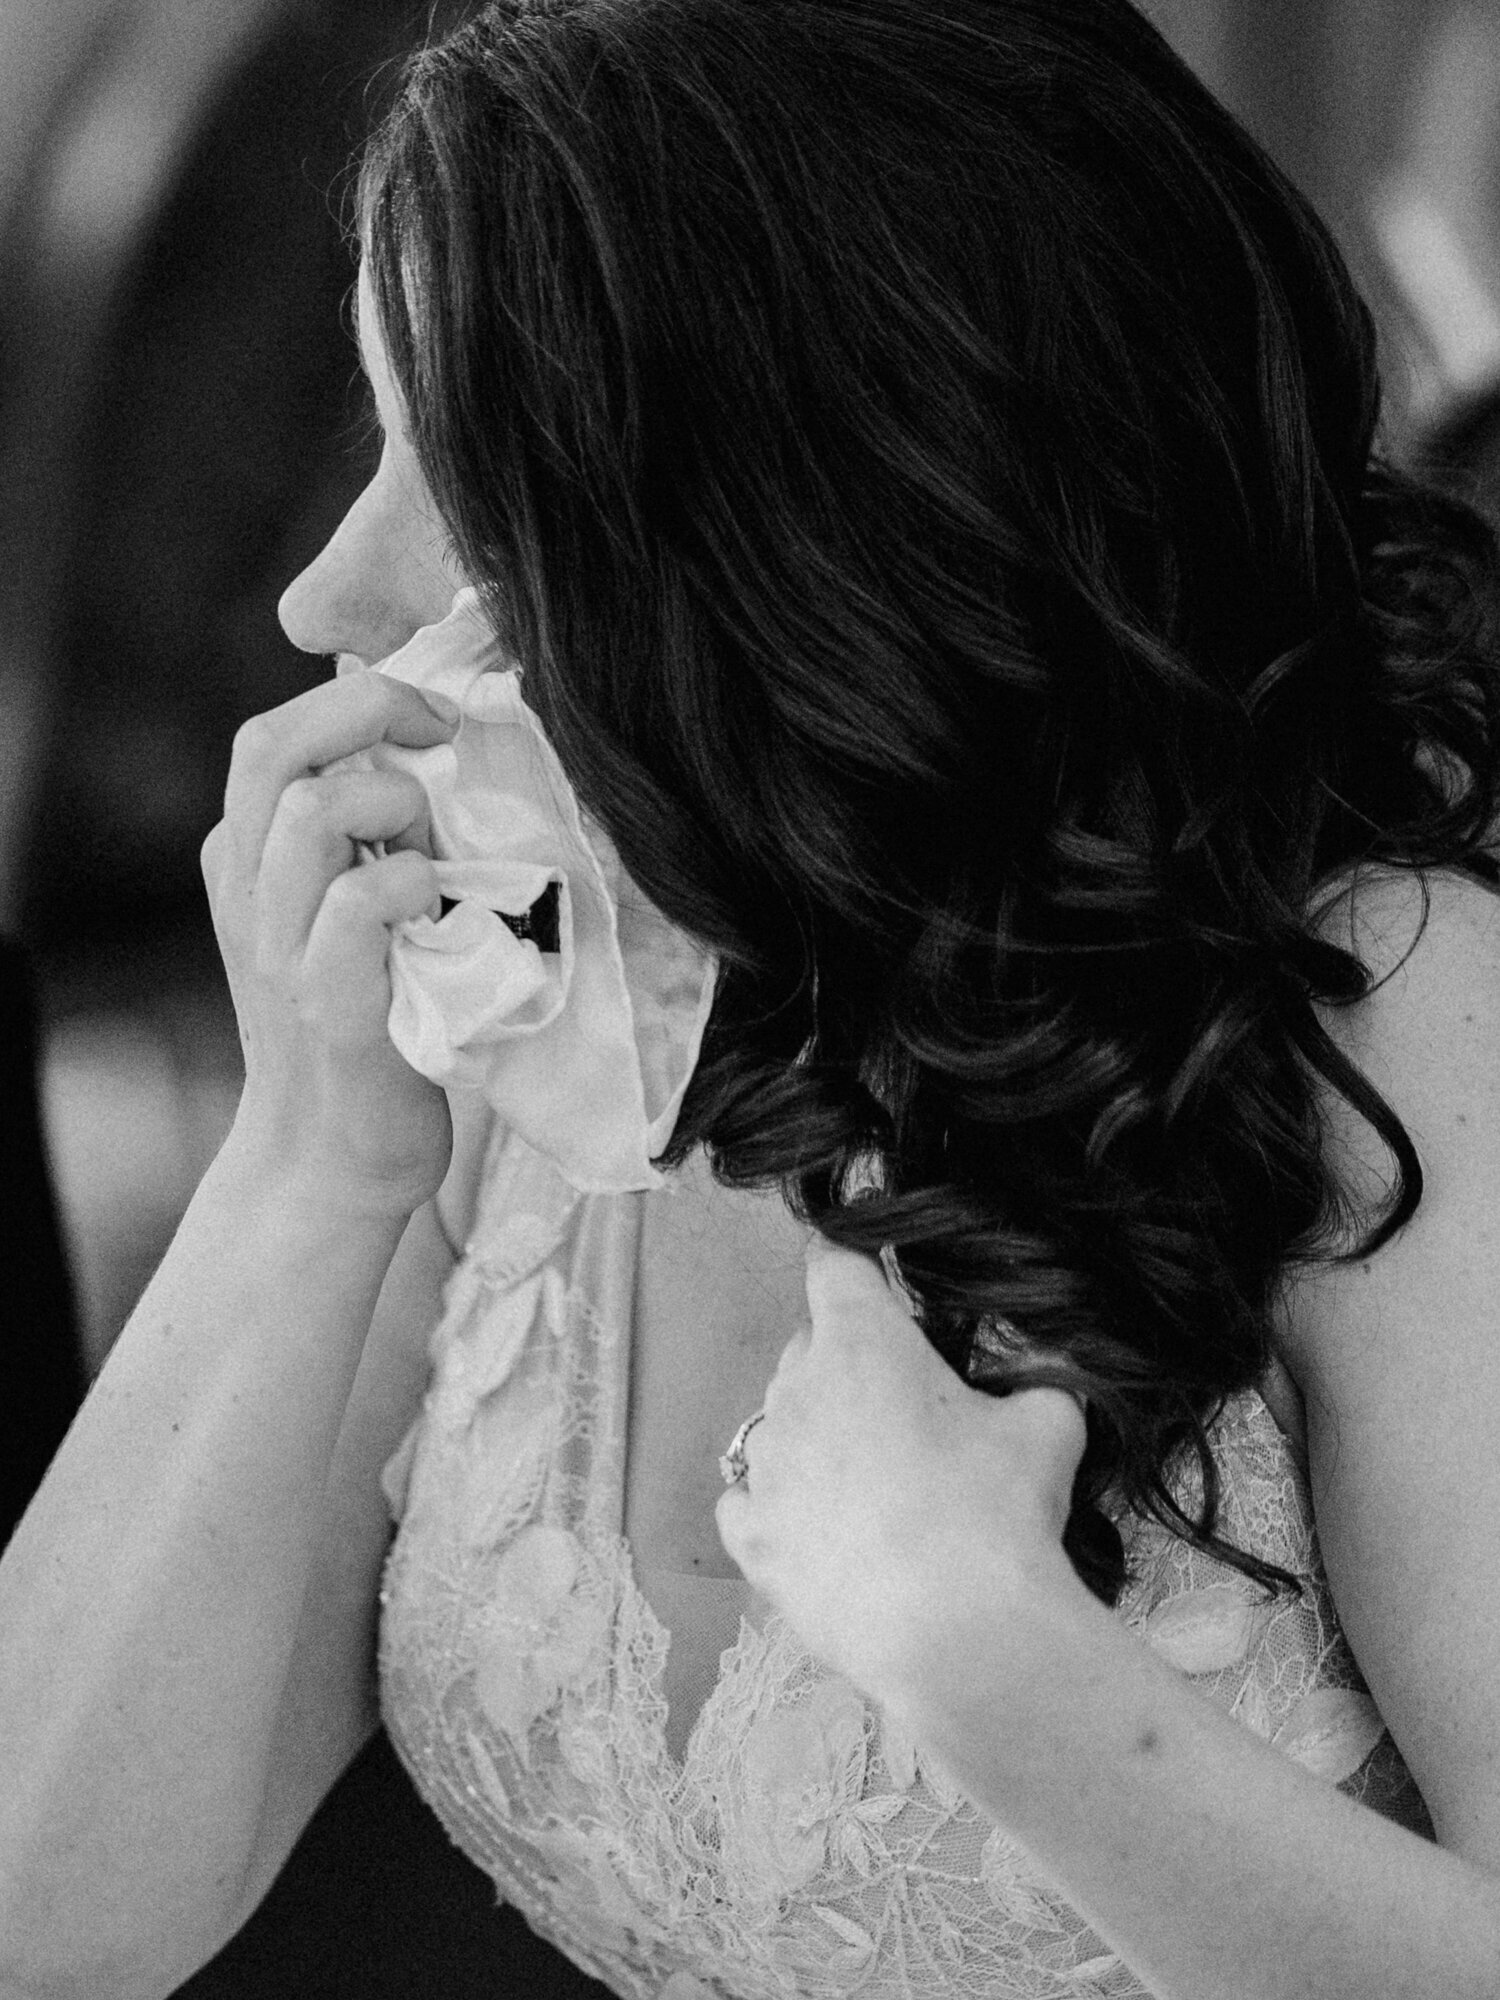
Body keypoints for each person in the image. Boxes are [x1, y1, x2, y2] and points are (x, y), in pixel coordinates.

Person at [4, 1, 1500, 1995]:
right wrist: (311, 1160)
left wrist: (1000, 1674)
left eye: (460, 477)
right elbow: (44, 1923)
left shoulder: (1396, 1012)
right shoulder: (545, 1012)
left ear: (799, 529)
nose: (327, 600)